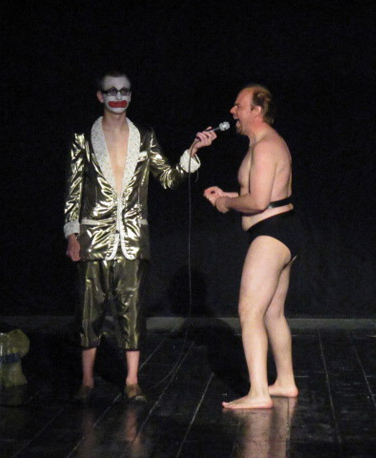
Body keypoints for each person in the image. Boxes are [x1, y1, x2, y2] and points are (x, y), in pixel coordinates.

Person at [64, 70, 216, 403]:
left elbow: (169, 178)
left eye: (125, 91)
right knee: (89, 310)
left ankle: (132, 381)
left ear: (131, 95)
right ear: (100, 96)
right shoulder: (83, 139)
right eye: (112, 91)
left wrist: (192, 151)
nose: (119, 97)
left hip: (132, 238)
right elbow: (74, 191)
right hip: (93, 237)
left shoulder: (144, 138)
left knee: (131, 309)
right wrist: (72, 234)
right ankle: (86, 381)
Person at [204, 84, 303, 409]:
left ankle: (259, 393)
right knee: (272, 313)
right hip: (282, 229)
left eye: (239, 106)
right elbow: (265, 194)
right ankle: (285, 382)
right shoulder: (266, 143)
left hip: (272, 233)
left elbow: (259, 202)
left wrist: (225, 205)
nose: (233, 112)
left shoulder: (264, 147)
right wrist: (229, 195)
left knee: (249, 311)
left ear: (256, 111)